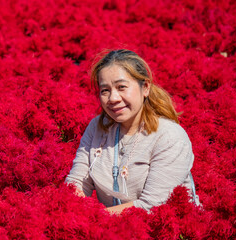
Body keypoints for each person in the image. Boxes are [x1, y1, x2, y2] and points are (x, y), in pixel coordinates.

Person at [65, 49, 200, 214]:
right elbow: (76, 182)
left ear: (145, 88)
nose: (113, 98)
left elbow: (152, 206)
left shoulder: (169, 137)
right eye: (105, 90)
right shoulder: (97, 128)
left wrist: (95, 218)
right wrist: (73, 211)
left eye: (121, 87)